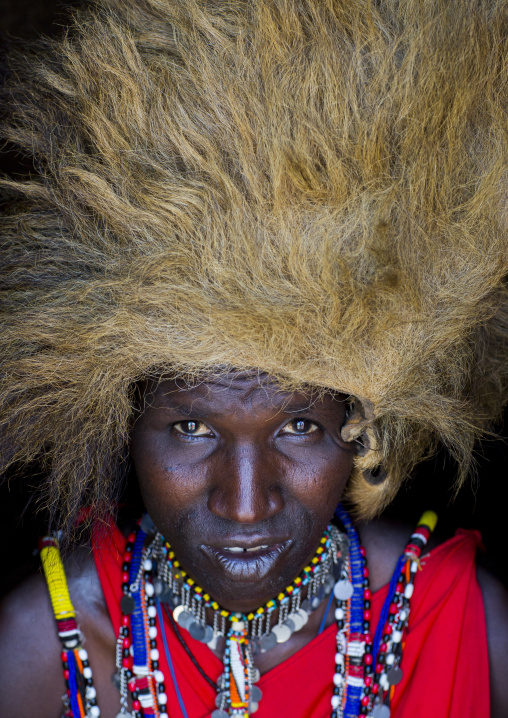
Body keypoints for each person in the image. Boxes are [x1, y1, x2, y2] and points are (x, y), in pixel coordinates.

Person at [1, 0, 508, 716]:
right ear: (122, 423)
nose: (246, 505)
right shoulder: (45, 643)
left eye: (299, 426)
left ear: (365, 433)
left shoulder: (457, 618)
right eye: (191, 429)